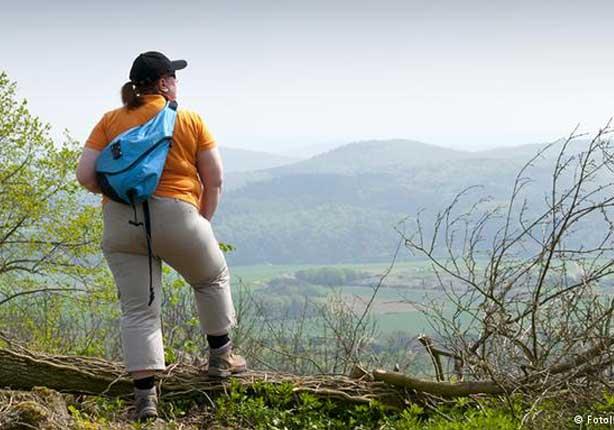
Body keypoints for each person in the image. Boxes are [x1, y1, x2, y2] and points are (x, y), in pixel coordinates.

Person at [76, 51, 246, 421]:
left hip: (121, 221)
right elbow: (214, 180)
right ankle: (220, 359)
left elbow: (85, 175)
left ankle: (146, 400)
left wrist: (121, 196)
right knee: (211, 278)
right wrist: (201, 222)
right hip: (178, 214)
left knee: (138, 310)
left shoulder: (110, 121)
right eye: (174, 77)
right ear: (165, 82)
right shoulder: (188, 118)